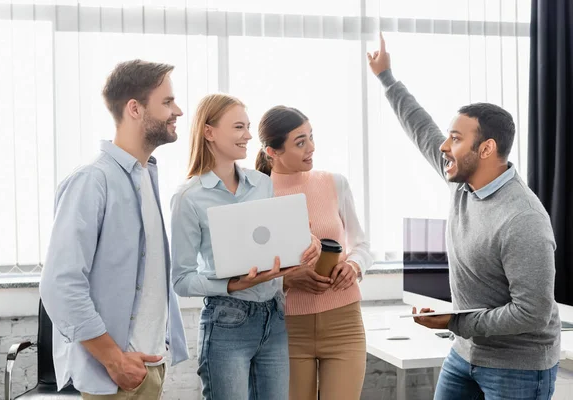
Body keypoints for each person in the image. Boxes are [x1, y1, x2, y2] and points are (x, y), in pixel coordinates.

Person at [367, 33, 561, 399]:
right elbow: (422, 129)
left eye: (455, 138)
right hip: (464, 353)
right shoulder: (462, 183)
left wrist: (457, 321)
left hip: (517, 367)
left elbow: (531, 313)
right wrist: (386, 78)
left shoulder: (524, 218)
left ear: (486, 148)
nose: (444, 146)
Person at [40, 60, 189, 399]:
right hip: (117, 378)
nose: (177, 110)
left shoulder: (145, 176)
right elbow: (59, 284)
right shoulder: (93, 181)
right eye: (167, 102)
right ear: (135, 109)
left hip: (149, 367)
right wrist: (115, 361)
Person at [170, 93, 321, 400]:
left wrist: (307, 243)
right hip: (227, 321)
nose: (249, 135)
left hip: (275, 316)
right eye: (239, 127)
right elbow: (181, 281)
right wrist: (233, 284)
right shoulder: (189, 198)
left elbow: (273, 241)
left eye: (249, 126)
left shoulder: (262, 183)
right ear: (209, 132)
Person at [255, 105, 373, 400]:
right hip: (288, 328)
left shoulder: (334, 182)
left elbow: (361, 244)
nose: (311, 147)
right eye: (300, 142)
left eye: (311, 137)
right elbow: (248, 269)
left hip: (344, 322)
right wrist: (287, 280)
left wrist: (355, 266)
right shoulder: (257, 193)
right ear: (273, 152)